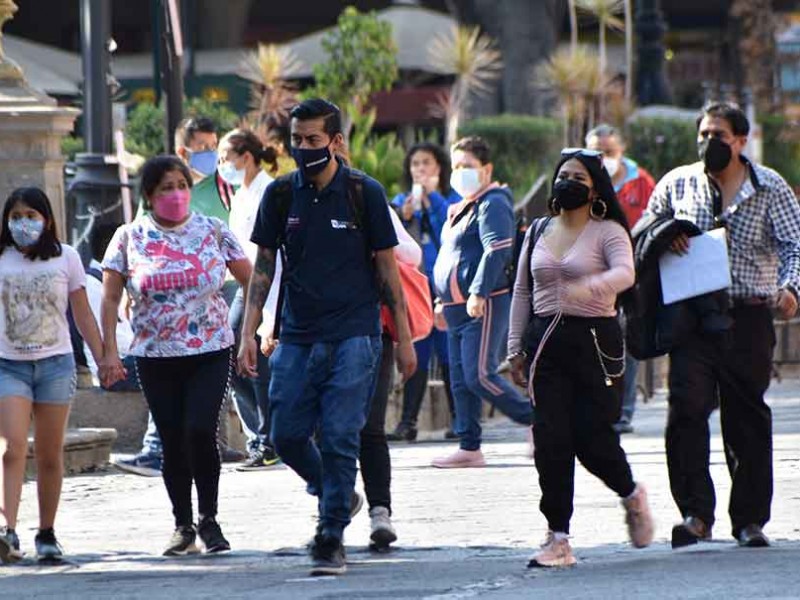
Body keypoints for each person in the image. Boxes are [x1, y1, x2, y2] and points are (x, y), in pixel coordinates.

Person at [238, 98, 416, 576]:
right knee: (286, 434)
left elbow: (387, 268)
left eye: (313, 140)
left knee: (340, 434)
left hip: (355, 334)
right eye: (297, 140)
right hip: (296, 334)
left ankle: (330, 533)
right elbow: (263, 267)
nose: (304, 149)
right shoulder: (279, 195)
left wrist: (404, 337)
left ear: (336, 142)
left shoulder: (364, 192)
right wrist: (250, 332)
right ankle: (337, 492)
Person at [644, 102, 800, 549]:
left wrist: (791, 289)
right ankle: (695, 513)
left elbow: (794, 245)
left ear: (740, 141)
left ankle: (750, 519)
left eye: (719, 135)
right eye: (704, 134)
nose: (709, 142)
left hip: (748, 314)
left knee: (746, 415)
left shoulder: (769, 187)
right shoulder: (678, 183)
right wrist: (663, 235)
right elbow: (644, 231)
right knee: (686, 410)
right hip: (691, 316)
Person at [508, 148, 654, 568]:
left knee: (592, 440)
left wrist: (588, 287)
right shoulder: (538, 229)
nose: (567, 182)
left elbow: (625, 274)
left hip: (595, 344)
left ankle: (631, 494)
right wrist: (514, 347)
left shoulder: (607, 231)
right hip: (545, 345)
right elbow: (522, 291)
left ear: (594, 189)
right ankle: (558, 538)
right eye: (563, 175)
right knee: (551, 440)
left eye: (578, 177)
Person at [102, 155, 251, 556]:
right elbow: (111, 295)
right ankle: (182, 524)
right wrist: (108, 351)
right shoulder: (129, 237)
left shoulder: (214, 231)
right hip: (155, 353)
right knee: (171, 438)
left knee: (200, 430)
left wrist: (252, 331)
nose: (176, 194)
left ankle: (210, 519)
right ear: (149, 195)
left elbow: (252, 280)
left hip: (209, 348)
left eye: (181, 185)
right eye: (166, 188)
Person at [0, 187, 123, 563]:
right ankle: (7, 529)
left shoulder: (65, 257)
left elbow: (82, 314)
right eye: (16, 216)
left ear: (47, 220)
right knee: (12, 446)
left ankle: (47, 531)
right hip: (8, 365)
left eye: (31, 216)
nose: (23, 223)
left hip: (55, 364)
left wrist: (103, 357)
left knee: (51, 452)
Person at [117, 116, 239, 477]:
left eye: (213, 146)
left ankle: (203, 446)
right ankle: (160, 450)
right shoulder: (161, 187)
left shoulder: (222, 186)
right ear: (184, 149)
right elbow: (139, 244)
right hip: (163, 307)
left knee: (211, 376)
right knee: (170, 375)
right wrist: (129, 290)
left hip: (218, 293)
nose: (210, 153)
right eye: (202, 147)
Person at [430, 136, 533, 469]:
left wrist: (477, 291)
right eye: (456, 166)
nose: (461, 173)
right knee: (460, 380)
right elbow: (450, 256)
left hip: (484, 303)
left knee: (479, 375)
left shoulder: (493, 203)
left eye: (468, 167)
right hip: (456, 308)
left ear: (486, 169)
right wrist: (441, 300)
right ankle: (469, 446)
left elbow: (497, 248)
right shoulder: (461, 208)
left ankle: (537, 420)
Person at [217, 128, 282, 471]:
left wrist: (271, 311)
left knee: (253, 360)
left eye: (226, 157)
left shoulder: (268, 191)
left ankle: (269, 440)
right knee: (234, 355)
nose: (221, 165)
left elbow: (271, 252)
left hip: (265, 286)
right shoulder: (240, 193)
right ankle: (263, 433)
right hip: (244, 286)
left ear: (246, 157)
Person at [585, 124, 656, 434]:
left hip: (631, 274)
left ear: (621, 150)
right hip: (591, 273)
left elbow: (655, 222)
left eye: (609, 152)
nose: (603, 158)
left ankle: (623, 412)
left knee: (626, 342)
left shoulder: (641, 183)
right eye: (597, 152)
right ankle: (598, 407)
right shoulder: (583, 180)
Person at [388, 142, 460, 442]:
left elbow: (451, 233)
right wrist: (404, 216)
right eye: (415, 164)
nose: (420, 170)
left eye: (426, 163)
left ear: (440, 168)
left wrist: (434, 201)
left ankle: (460, 420)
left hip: (447, 290)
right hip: (416, 291)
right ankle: (408, 422)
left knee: (448, 355)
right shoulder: (401, 201)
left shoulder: (452, 200)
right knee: (417, 353)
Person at [359, 206, 422, 550]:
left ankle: (380, 511)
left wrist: (404, 338)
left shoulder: (367, 200)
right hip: (315, 332)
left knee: (371, 427)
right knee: (321, 429)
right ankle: (332, 507)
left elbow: (409, 256)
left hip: (372, 330)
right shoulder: (290, 198)